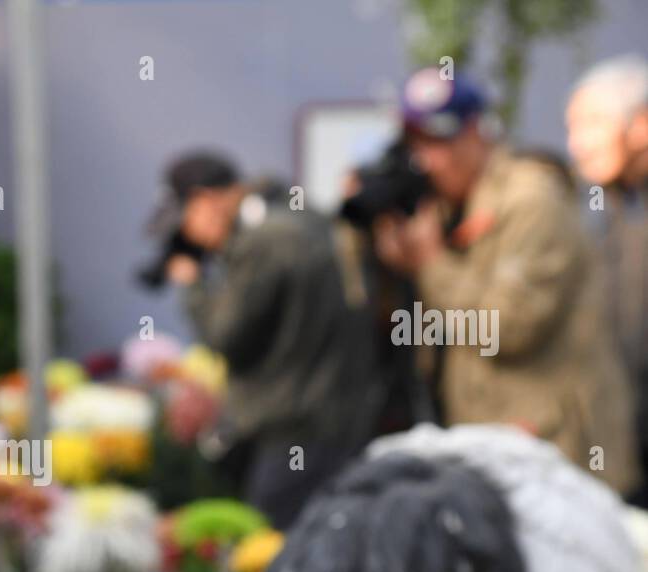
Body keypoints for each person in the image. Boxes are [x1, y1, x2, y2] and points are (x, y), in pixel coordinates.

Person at [374, 68, 639, 495]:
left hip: (558, 462)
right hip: (497, 451)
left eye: (441, 141)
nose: (427, 160)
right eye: (417, 144)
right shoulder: (443, 208)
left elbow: (503, 330)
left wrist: (431, 263)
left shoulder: (530, 200)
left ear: (479, 133)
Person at [150, 152, 381, 527]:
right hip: (336, 421)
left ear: (206, 200)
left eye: (185, 220)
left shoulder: (263, 241)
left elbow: (225, 336)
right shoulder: (304, 217)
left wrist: (191, 283)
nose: (190, 236)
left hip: (295, 430)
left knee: (271, 553)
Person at [566, 55, 648, 495]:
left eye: (591, 124)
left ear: (642, 125)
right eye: (572, 128)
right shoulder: (601, 211)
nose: (578, 143)